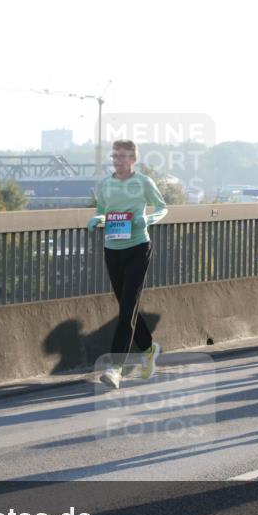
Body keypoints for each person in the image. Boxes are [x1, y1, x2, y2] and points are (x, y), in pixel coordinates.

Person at [88, 139, 168, 389]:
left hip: (137, 248)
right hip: (112, 248)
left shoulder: (143, 182)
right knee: (126, 305)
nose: (117, 160)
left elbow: (162, 207)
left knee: (128, 305)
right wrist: (97, 218)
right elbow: (102, 209)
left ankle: (115, 368)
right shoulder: (105, 184)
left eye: (122, 156)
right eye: (114, 156)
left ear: (133, 159)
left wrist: (148, 220)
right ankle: (148, 348)